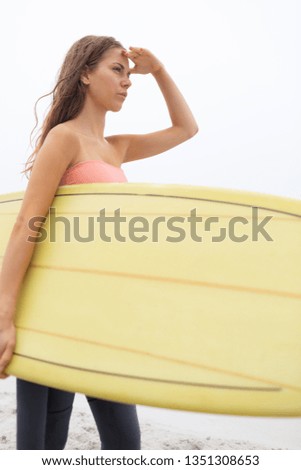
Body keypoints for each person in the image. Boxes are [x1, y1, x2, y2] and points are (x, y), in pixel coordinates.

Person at [0, 35, 198, 449]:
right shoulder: (64, 139)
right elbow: (27, 225)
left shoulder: (116, 149)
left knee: (126, 445)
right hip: (52, 316)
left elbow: (186, 128)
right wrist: (5, 315)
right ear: (86, 74)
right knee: (40, 446)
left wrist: (159, 70)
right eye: (117, 70)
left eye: (129, 74)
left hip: (104, 320)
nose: (127, 81)